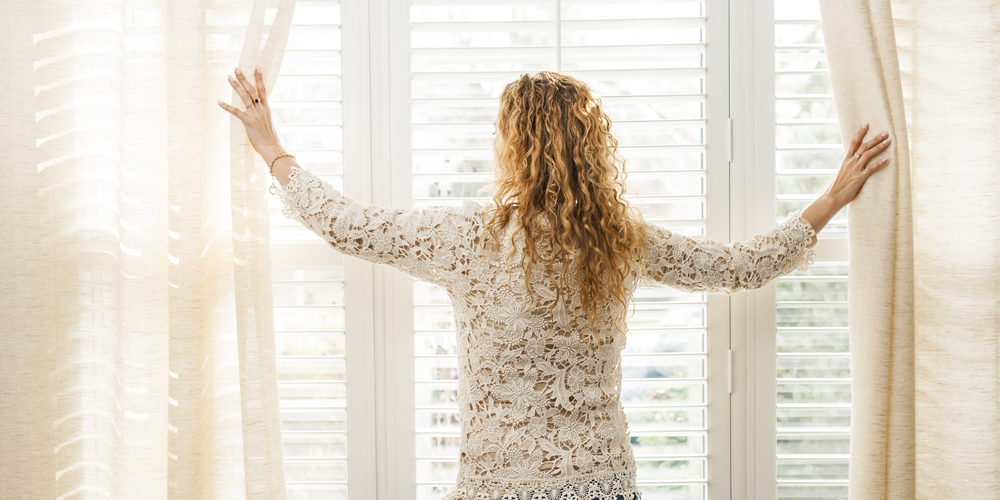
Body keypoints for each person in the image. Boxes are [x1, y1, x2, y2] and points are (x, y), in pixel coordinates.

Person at [219, 67, 891, 500]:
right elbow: (739, 266)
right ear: (589, 149)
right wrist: (831, 199)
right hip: (599, 482)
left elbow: (350, 227)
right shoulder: (620, 240)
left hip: (498, 485)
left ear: (512, 147)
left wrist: (271, 147)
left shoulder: (469, 238)